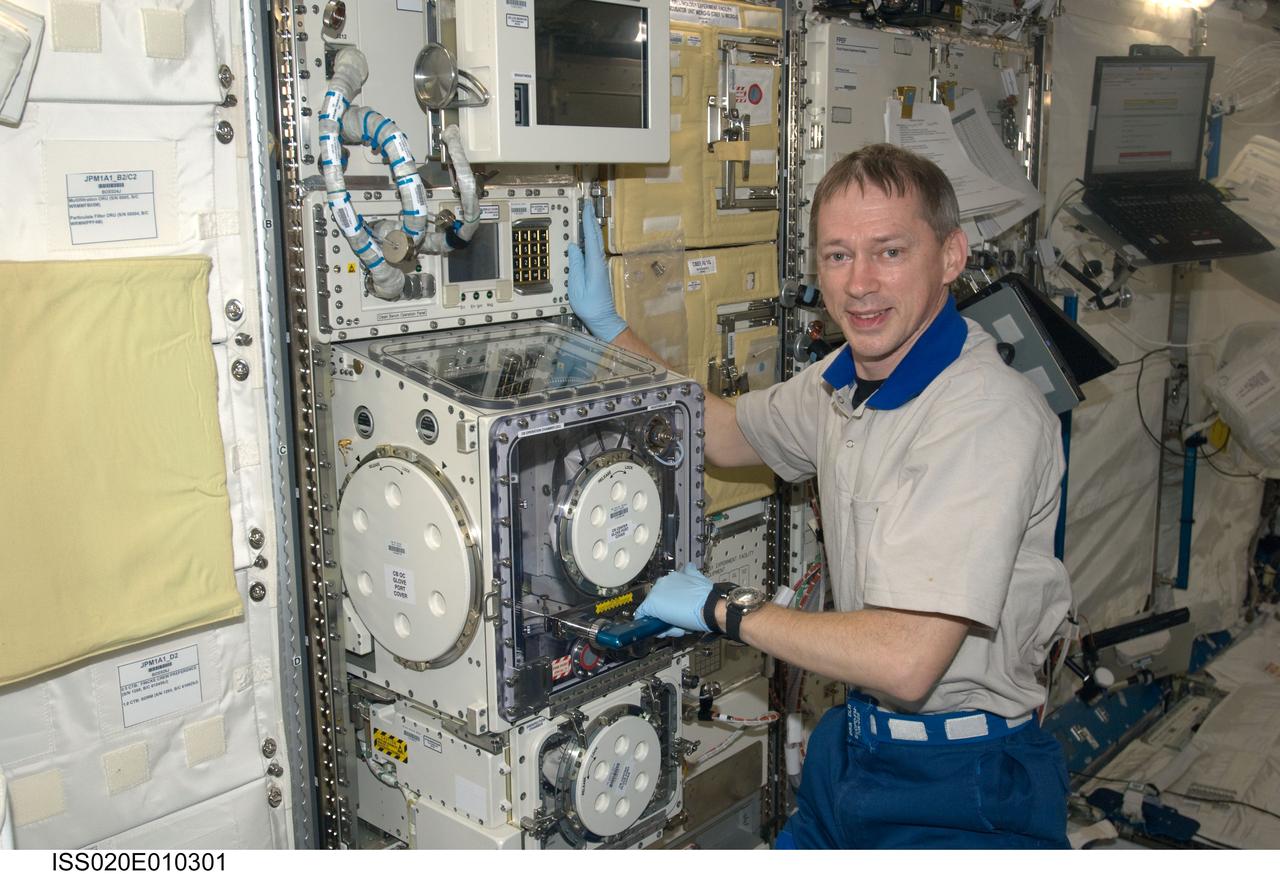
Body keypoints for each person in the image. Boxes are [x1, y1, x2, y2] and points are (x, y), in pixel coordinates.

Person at [568, 143, 1073, 849]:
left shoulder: (984, 415)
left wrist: (724, 609)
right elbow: (724, 433)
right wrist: (608, 332)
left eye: (889, 252)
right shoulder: (844, 379)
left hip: (962, 782)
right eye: (837, 256)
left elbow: (907, 657)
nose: (860, 283)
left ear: (952, 257)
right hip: (856, 750)